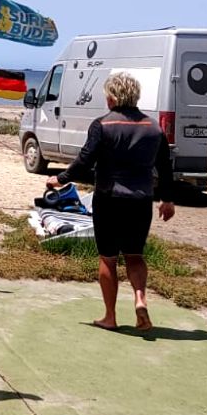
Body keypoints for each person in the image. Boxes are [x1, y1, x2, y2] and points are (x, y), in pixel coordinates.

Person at [47, 72, 176, 332]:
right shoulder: (154, 128)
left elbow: (85, 161)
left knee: (108, 259)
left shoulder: (102, 125)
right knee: (135, 256)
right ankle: (140, 299)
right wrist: (168, 200)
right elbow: (165, 167)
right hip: (141, 201)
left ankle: (110, 317)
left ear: (113, 97)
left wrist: (60, 179)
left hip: (109, 199)